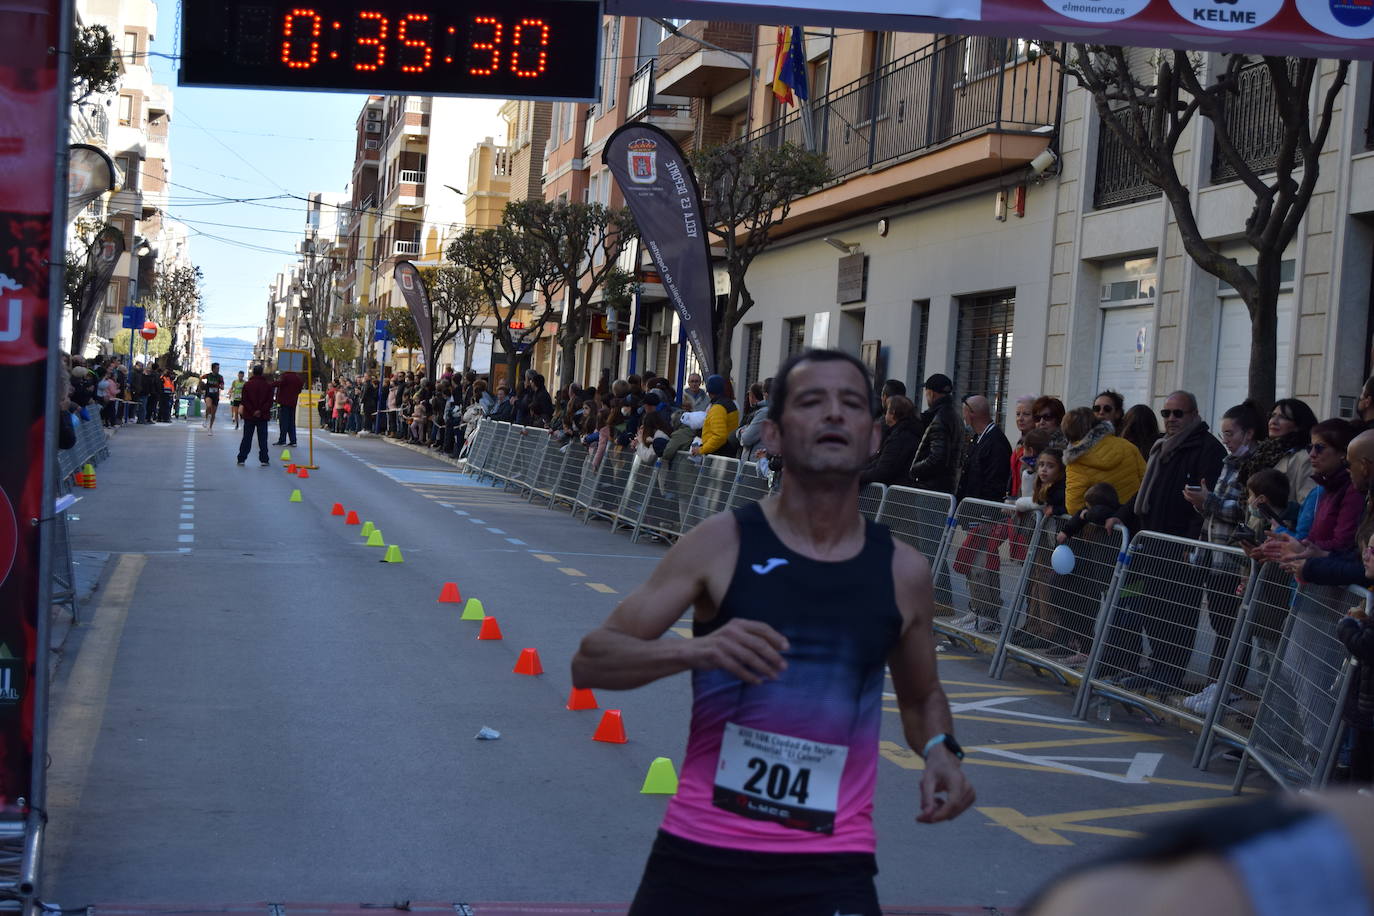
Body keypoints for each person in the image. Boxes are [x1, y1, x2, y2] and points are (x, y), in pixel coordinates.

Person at [571, 349, 974, 916]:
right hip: (702, 854)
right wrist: (697, 651)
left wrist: (939, 750)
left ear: (873, 438)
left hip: (834, 867)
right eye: (812, 402)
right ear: (776, 435)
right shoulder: (721, 543)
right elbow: (591, 660)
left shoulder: (903, 572)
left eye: (852, 404)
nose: (834, 415)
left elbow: (922, 695)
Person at [1107, 391, 1226, 695]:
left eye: (1178, 413)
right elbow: (1146, 490)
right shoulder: (1162, 447)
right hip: (1151, 541)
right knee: (1152, 610)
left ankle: (1170, 674)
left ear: (1194, 415)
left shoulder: (1207, 449)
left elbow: (1204, 501)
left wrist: (1191, 543)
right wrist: (1122, 515)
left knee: (1177, 614)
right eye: (1166, 413)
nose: (1171, 419)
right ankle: (1157, 667)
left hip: (1180, 546)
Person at [1179, 401, 1265, 713]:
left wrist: (1209, 501)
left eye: (1231, 433)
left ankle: (1229, 686)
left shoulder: (1254, 464)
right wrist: (1201, 503)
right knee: (1219, 621)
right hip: (1214, 552)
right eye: (1223, 432)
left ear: (1249, 433)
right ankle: (1218, 682)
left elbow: (1244, 509)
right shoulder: (1229, 461)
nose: (1225, 438)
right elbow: (1216, 510)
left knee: (1231, 624)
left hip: (1234, 557)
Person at [1062, 406, 1145, 515]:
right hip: (1134, 517)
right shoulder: (1128, 446)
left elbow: (1073, 506)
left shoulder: (1077, 460)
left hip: (1101, 524)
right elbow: (1145, 480)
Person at [908, 373, 960, 493]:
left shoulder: (939, 418)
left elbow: (937, 457)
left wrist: (914, 469)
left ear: (931, 393)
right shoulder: (953, 415)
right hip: (944, 486)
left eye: (926, 393)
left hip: (931, 487)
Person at [859, 395, 921, 487]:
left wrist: (856, 476)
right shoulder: (906, 432)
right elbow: (879, 462)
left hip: (895, 494)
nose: (885, 415)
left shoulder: (899, 438)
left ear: (893, 414)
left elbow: (883, 471)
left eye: (887, 410)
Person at [236, 365, 274, 467]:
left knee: (247, 438)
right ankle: (264, 459)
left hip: (249, 415)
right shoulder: (268, 386)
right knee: (263, 439)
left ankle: (241, 458)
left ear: (253, 372)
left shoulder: (247, 385)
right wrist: (260, 411)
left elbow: (244, 400)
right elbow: (270, 401)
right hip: (263, 416)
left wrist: (253, 411)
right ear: (262, 373)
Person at [694, 374, 740, 458]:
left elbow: (719, 436)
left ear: (709, 390)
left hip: (719, 454)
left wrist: (702, 449)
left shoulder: (718, 407)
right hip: (729, 451)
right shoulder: (730, 403)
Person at [274, 368, 303, 447]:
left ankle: (282, 440)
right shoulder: (298, 378)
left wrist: (270, 384)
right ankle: (293, 440)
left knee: (283, 422)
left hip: (284, 402)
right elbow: (299, 390)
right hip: (293, 402)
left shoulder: (285, 376)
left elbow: (278, 384)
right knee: (291, 422)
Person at [199, 362, 225, 434]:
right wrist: (201, 384)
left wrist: (220, 386)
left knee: (213, 413)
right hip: (208, 394)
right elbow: (201, 377)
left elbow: (222, 387)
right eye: (217, 368)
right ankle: (206, 419)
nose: (218, 369)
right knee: (209, 406)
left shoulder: (220, 377)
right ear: (213, 369)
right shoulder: (208, 375)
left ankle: (210, 428)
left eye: (219, 368)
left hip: (215, 396)